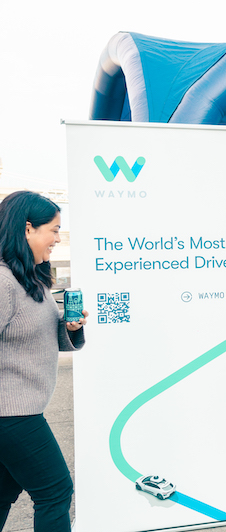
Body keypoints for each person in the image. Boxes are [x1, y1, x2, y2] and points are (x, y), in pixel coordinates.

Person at [0, 191, 88, 531]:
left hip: (19, 410)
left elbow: (40, 336)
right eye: (54, 230)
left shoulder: (30, 278)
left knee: (3, 492)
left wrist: (70, 327)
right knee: (55, 491)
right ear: (27, 229)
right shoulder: (3, 282)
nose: (57, 239)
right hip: (11, 414)